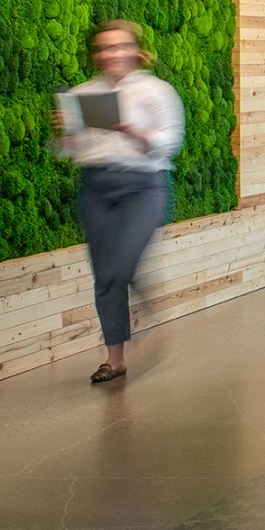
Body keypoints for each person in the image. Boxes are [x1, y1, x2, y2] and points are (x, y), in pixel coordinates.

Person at [52, 19, 185, 383]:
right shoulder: (82, 93)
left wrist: (134, 130)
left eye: (120, 46)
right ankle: (115, 360)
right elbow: (70, 150)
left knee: (121, 264)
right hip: (95, 186)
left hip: (142, 186)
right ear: (96, 55)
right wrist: (66, 134)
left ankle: (142, 295)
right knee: (104, 275)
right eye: (105, 48)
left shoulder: (157, 91)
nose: (113, 53)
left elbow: (170, 142)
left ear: (136, 51)